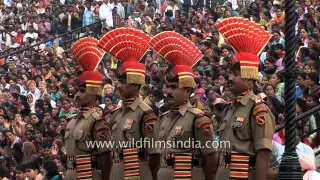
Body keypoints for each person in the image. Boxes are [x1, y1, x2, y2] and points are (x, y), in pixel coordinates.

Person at [149, 31, 218, 180]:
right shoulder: (164, 117)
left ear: (187, 90)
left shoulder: (198, 119)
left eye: (173, 87)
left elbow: (211, 157)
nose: (168, 91)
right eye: (167, 87)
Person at [214, 17, 276, 180]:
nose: (229, 78)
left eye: (235, 74)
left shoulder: (258, 109)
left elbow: (263, 154)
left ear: (249, 79)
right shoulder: (229, 108)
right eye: (230, 73)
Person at [99, 28, 160, 180]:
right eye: (118, 81)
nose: (118, 86)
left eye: (123, 82)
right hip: (116, 171)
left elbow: (154, 154)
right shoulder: (117, 113)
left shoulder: (145, 113)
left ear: (135, 84)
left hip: (137, 173)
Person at [64, 38, 111, 180]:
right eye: (78, 91)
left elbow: (105, 157)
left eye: (83, 91)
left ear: (94, 93)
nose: (77, 95)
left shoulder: (97, 122)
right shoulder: (72, 120)